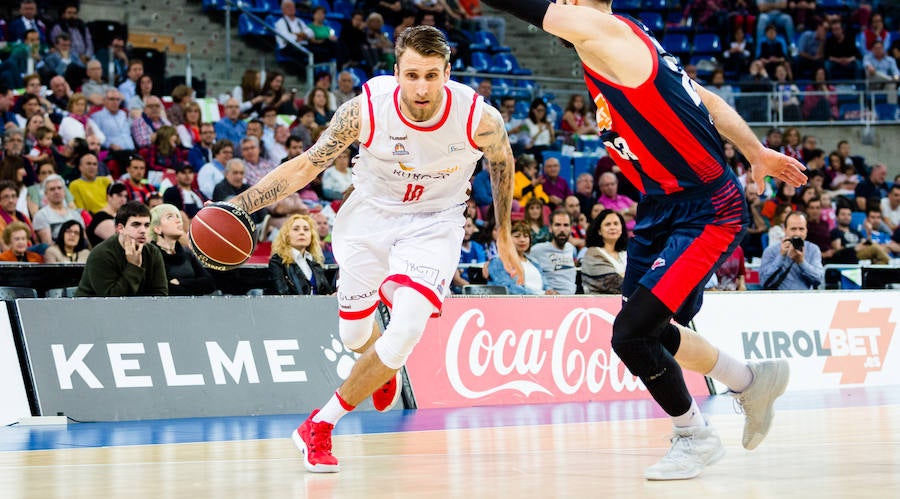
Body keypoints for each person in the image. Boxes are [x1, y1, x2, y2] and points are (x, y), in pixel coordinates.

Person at [483, 0, 807, 480]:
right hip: (661, 206)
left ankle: (694, 437)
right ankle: (752, 381)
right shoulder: (631, 38)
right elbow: (706, 101)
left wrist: (752, 153)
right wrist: (755, 150)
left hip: (706, 209)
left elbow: (524, 6)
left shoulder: (599, 28)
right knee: (648, 330)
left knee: (631, 334)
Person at [224, 26, 520, 473]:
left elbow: (502, 162)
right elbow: (308, 164)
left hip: (434, 224)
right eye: (413, 75)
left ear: (449, 73)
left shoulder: (480, 118)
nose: (422, 88)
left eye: (433, 76)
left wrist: (502, 232)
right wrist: (243, 205)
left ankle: (319, 425)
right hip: (368, 219)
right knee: (355, 338)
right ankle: (383, 366)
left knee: (406, 329)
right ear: (396, 70)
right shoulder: (363, 109)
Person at [76, 201, 168, 297]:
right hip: (92, 309)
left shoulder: (153, 252)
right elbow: (112, 300)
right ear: (120, 228)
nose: (143, 231)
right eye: (136, 225)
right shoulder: (101, 254)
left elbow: (160, 295)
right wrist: (133, 267)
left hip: (138, 310)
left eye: (146, 225)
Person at [149, 203, 216, 296]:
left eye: (178, 216)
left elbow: (210, 284)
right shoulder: (150, 255)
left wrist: (181, 282)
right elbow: (165, 290)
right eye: (170, 217)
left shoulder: (187, 253)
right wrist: (194, 285)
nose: (178, 220)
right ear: (157, 229)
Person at [267, 214, 335, 295]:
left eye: (306, 229)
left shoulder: (315, 263)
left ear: (311, 236)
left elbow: (326, 292)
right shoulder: (277, 261)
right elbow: (283, 295)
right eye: (296, 229)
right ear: (286, 236)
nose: (302, 232)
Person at [759, 211, 823, 290]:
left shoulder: (813, 249)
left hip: (804, 299)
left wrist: (801, 262)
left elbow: (819, 279)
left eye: (801, 229)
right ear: (785, 230)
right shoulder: (770, 251)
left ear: (806, 231)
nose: (797, 233)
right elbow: (763, 281)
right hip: (778, 299)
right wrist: (781, 256)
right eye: (793, 229)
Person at [487, 221, 552, 294]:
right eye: (517, 236)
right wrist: (541, 294)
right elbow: (508, 287)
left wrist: (551, 292)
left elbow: (546, 286)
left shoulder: (534, 263)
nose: (522, 240)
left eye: (526, 236)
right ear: (507, 239)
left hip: (542, 302)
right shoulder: (498, 261)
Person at [529, 208, 577, 294]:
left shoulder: (571, 249)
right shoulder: (537, 250)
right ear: (550, 228)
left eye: (566, 225)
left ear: (571, 228)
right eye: (557, 225)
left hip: (572, 299)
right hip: (550, 301)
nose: (562, 229)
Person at [580, 208, 627, 294]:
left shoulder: (626, 253)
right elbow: (614, 283)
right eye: (607, 224)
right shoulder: (592, 254)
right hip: (600, 304)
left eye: (616, 224)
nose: (612, 227)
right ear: (599, 231)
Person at [31, 174, 84, 243]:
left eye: (59, 188)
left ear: (64, 191)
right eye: (52, 189)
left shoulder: (75, 215)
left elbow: (84, 240)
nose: (56, 192)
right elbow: (48, 245)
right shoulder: (41, 215)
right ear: (46, 194)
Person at [86, 182, 128, 247]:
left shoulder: (120, 216)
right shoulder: (100, 217)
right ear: (108, 197)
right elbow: (120, 241)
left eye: (125, 196)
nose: (123, 199)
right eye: (119, 195)